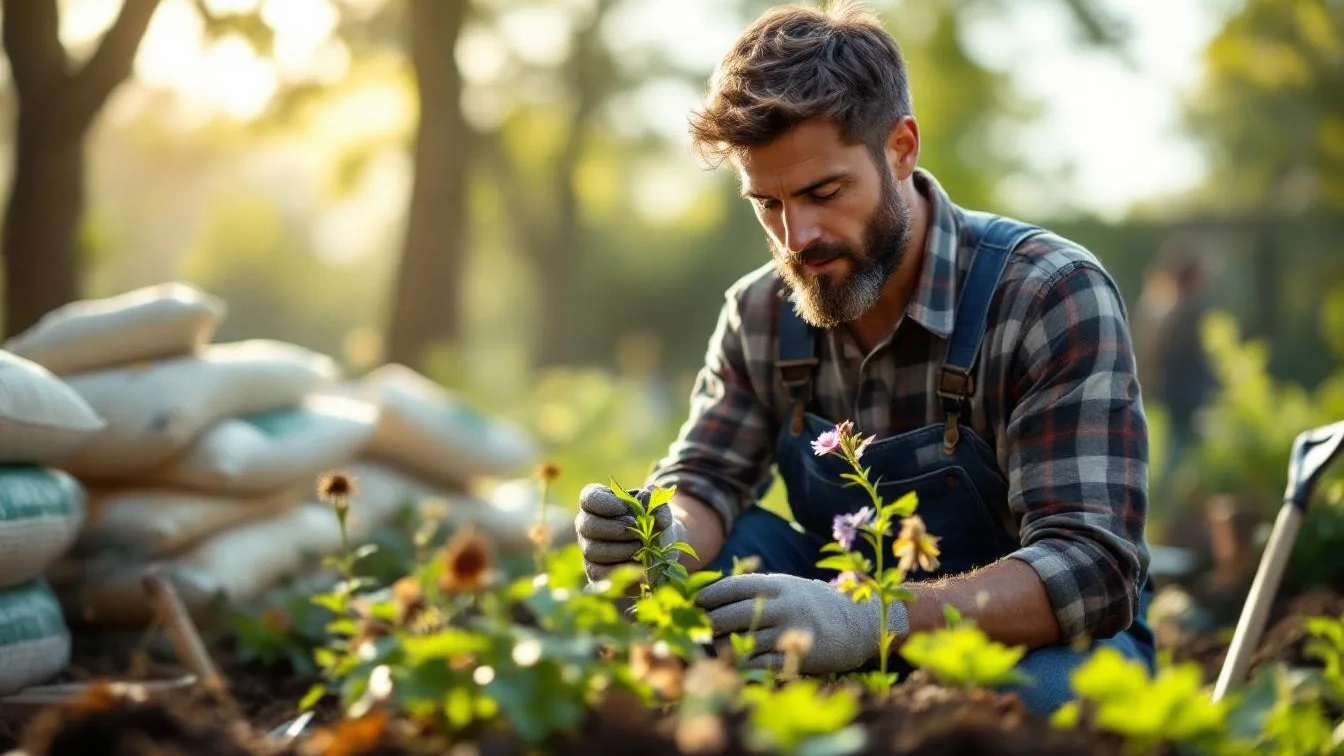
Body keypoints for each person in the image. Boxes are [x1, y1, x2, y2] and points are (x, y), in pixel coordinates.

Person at [573, 1, 1155, 715]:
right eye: (768, 204)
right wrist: (656, 533)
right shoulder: (761, 312)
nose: (797, 237)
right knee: (705, 578)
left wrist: (874, 619)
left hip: (1022, 643)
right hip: (827, 615)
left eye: (824, 192)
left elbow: (1092, 568)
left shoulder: (1047, 295)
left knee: (1053, 700)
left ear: (902, 147)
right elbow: (706, 480)